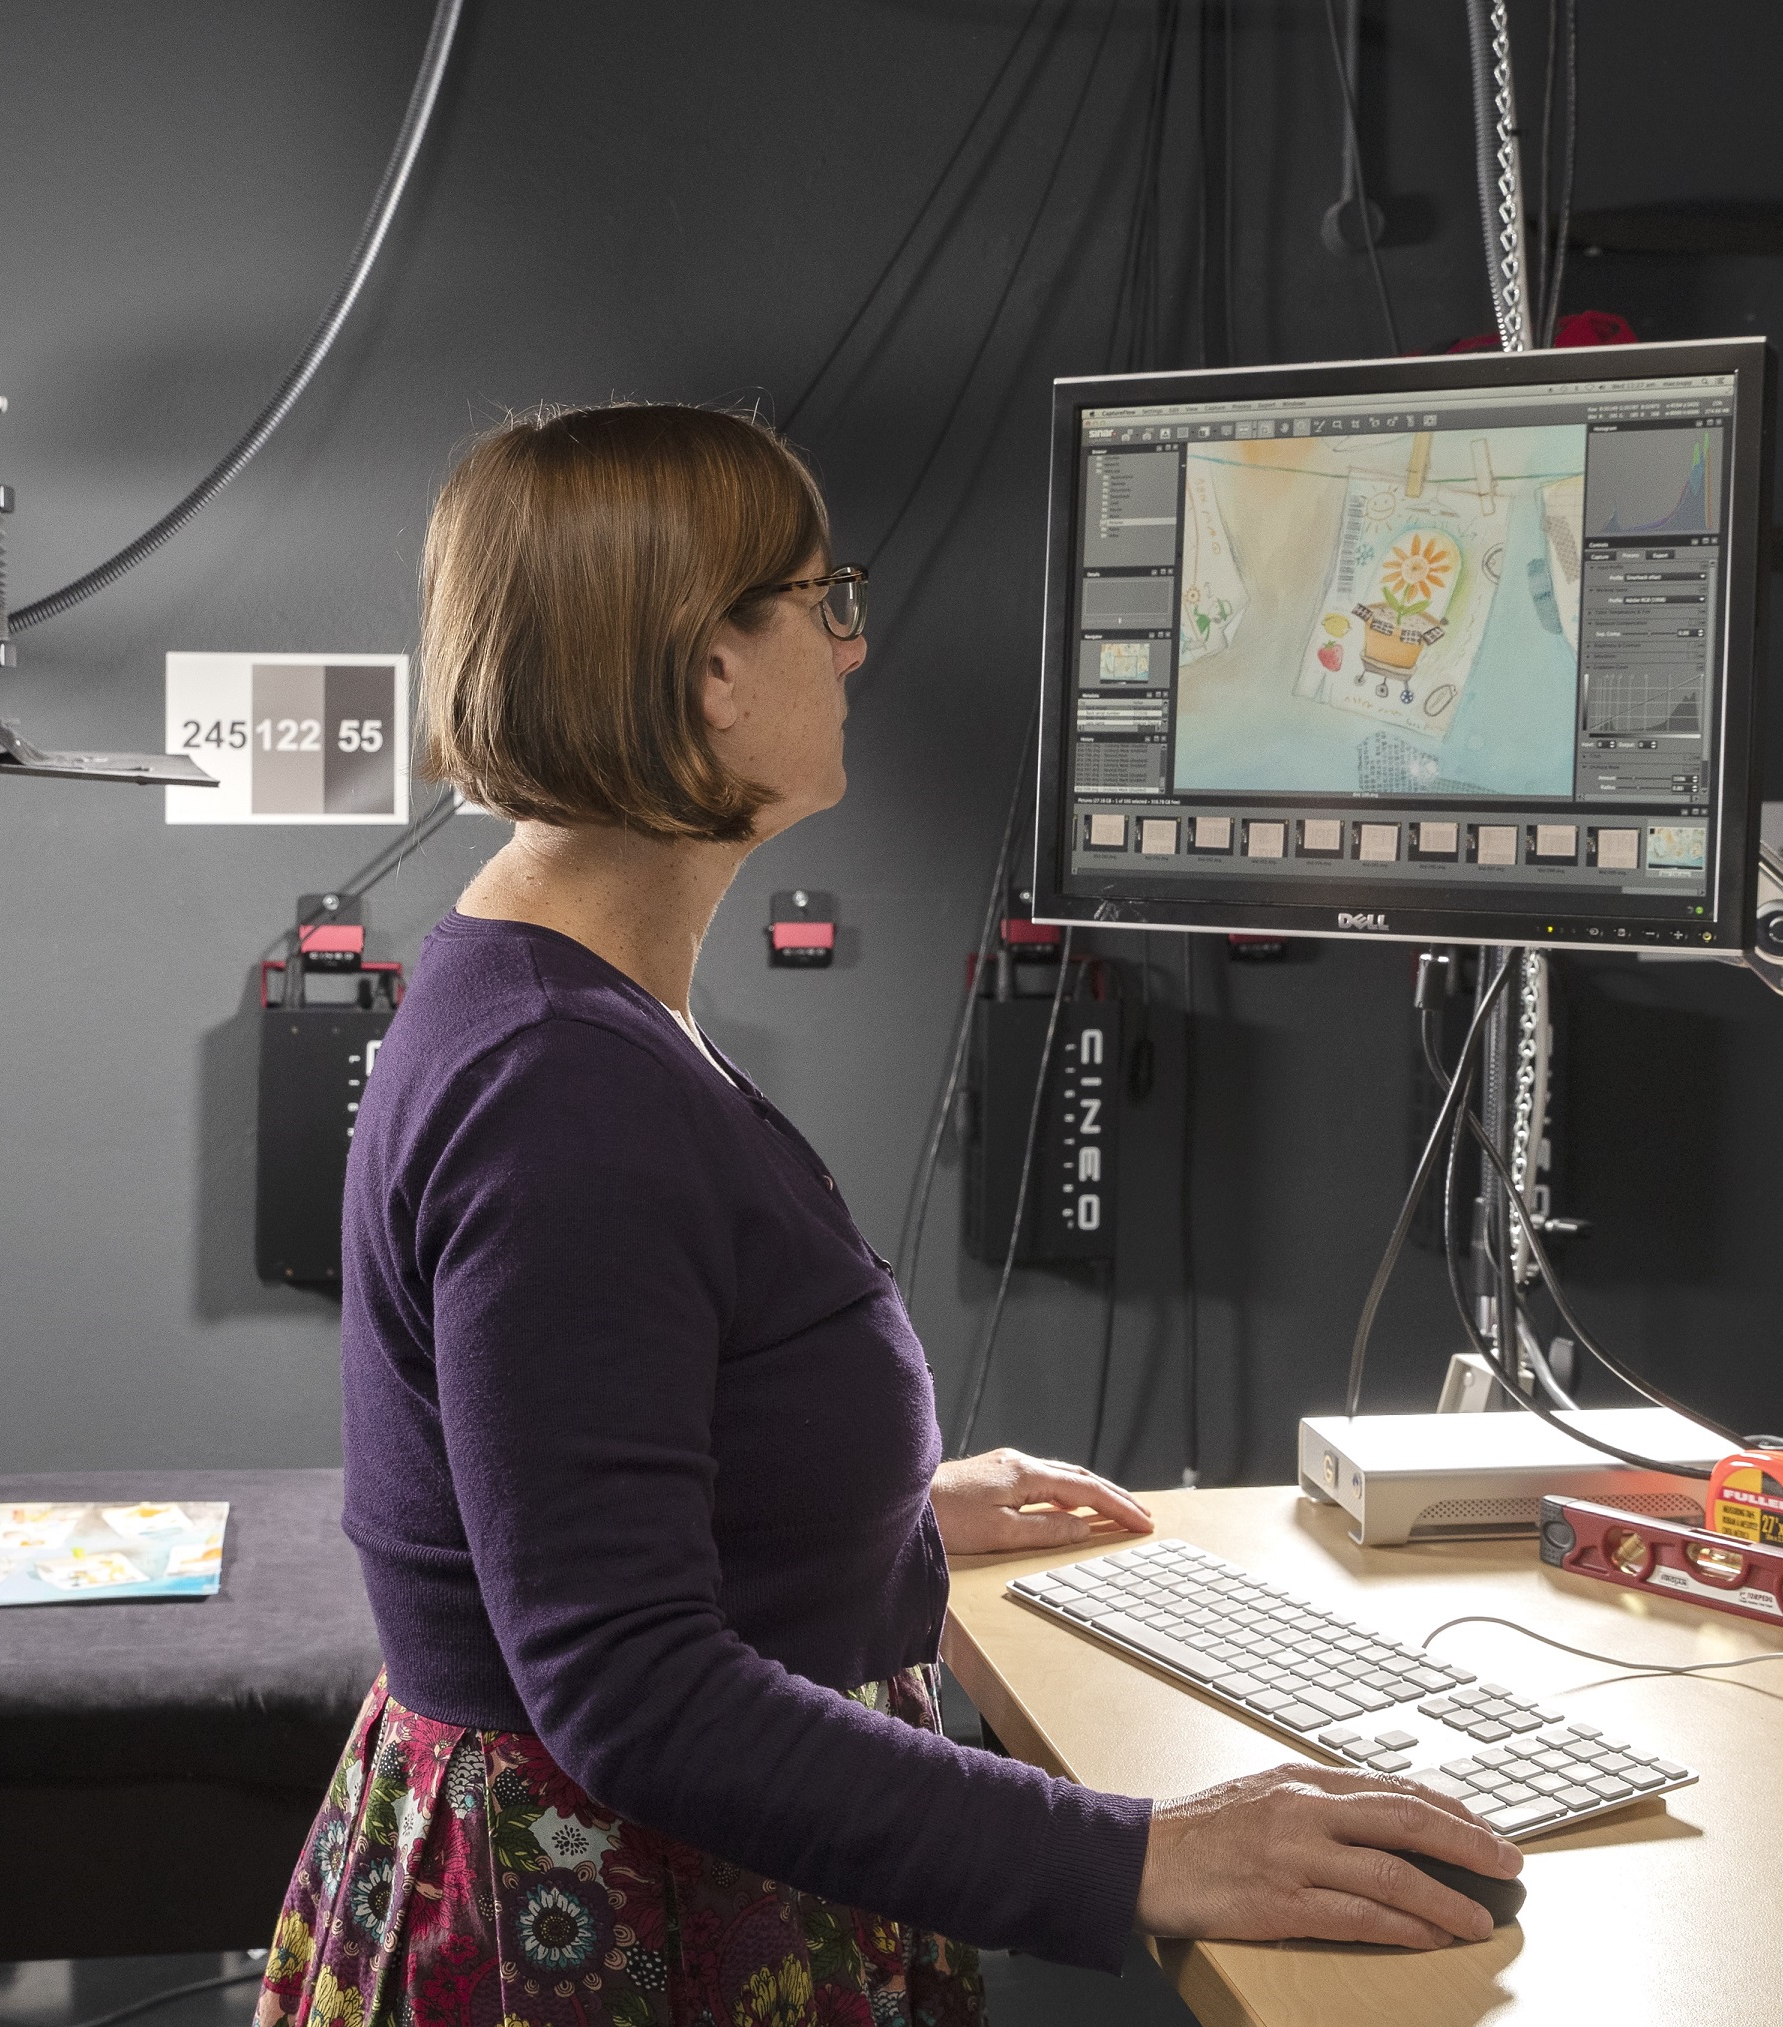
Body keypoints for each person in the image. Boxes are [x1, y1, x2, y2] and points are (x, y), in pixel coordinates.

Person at [254, 402, 1520, 2027]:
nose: (852, 652)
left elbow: (596, 1459)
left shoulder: (552, 999)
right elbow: (626, 1689)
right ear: (712, 667)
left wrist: (872, 1514)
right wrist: (1143, 1859)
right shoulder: (557, 1086)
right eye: (822, 600)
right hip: (612, 1934)